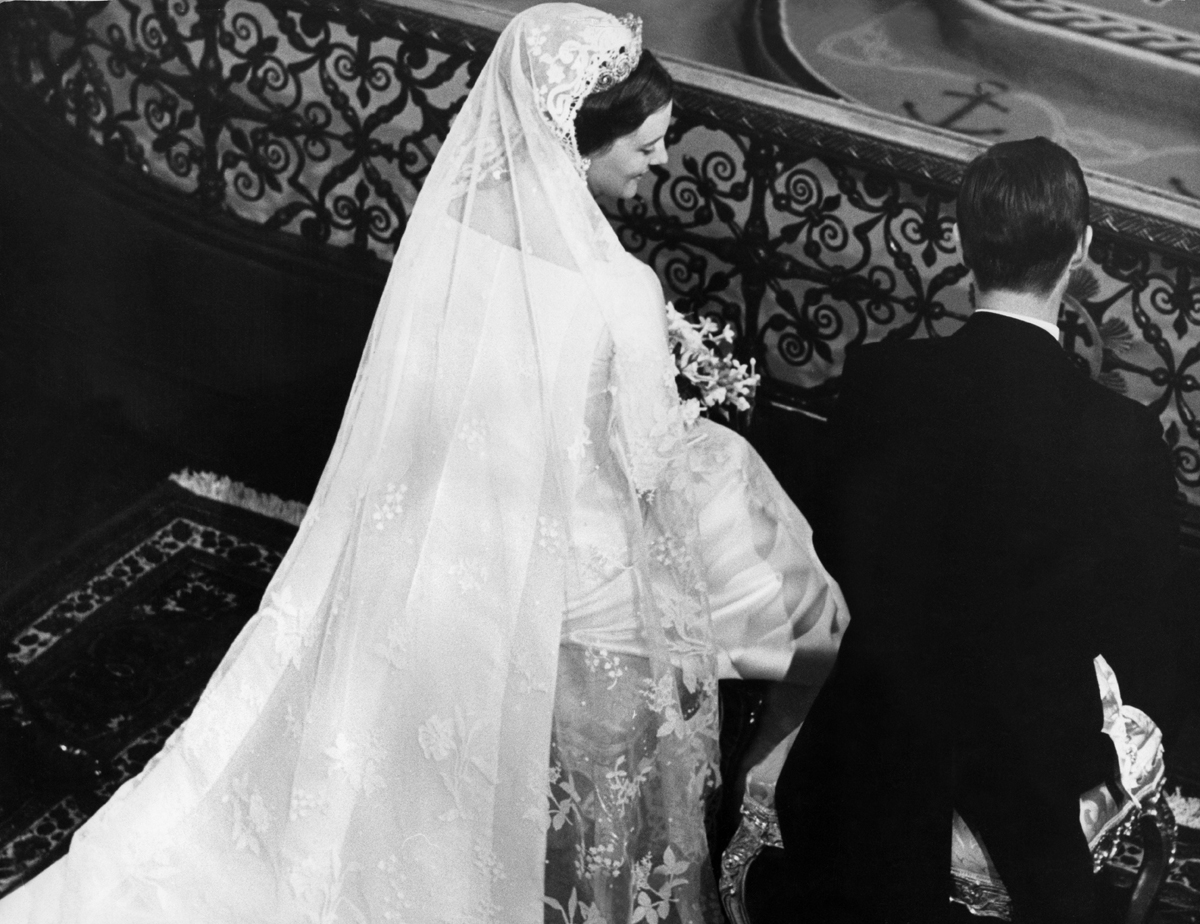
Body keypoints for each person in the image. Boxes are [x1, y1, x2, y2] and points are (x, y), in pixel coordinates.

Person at [0, 6, 847, 923]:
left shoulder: (454, 223)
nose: (663, 161)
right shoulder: (619, 290)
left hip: (425, 540)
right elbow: (646, 470)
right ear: (579, 138)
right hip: (552, 570)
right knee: (787, 584)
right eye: (647, 143)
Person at [755, 137, 1183, 924]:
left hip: (867, 739)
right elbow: (1142, 625)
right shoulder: (1121, 436)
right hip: (1026, 758)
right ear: (1083, 249)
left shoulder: (882, 380)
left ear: (958, 240)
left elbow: (836, 551)